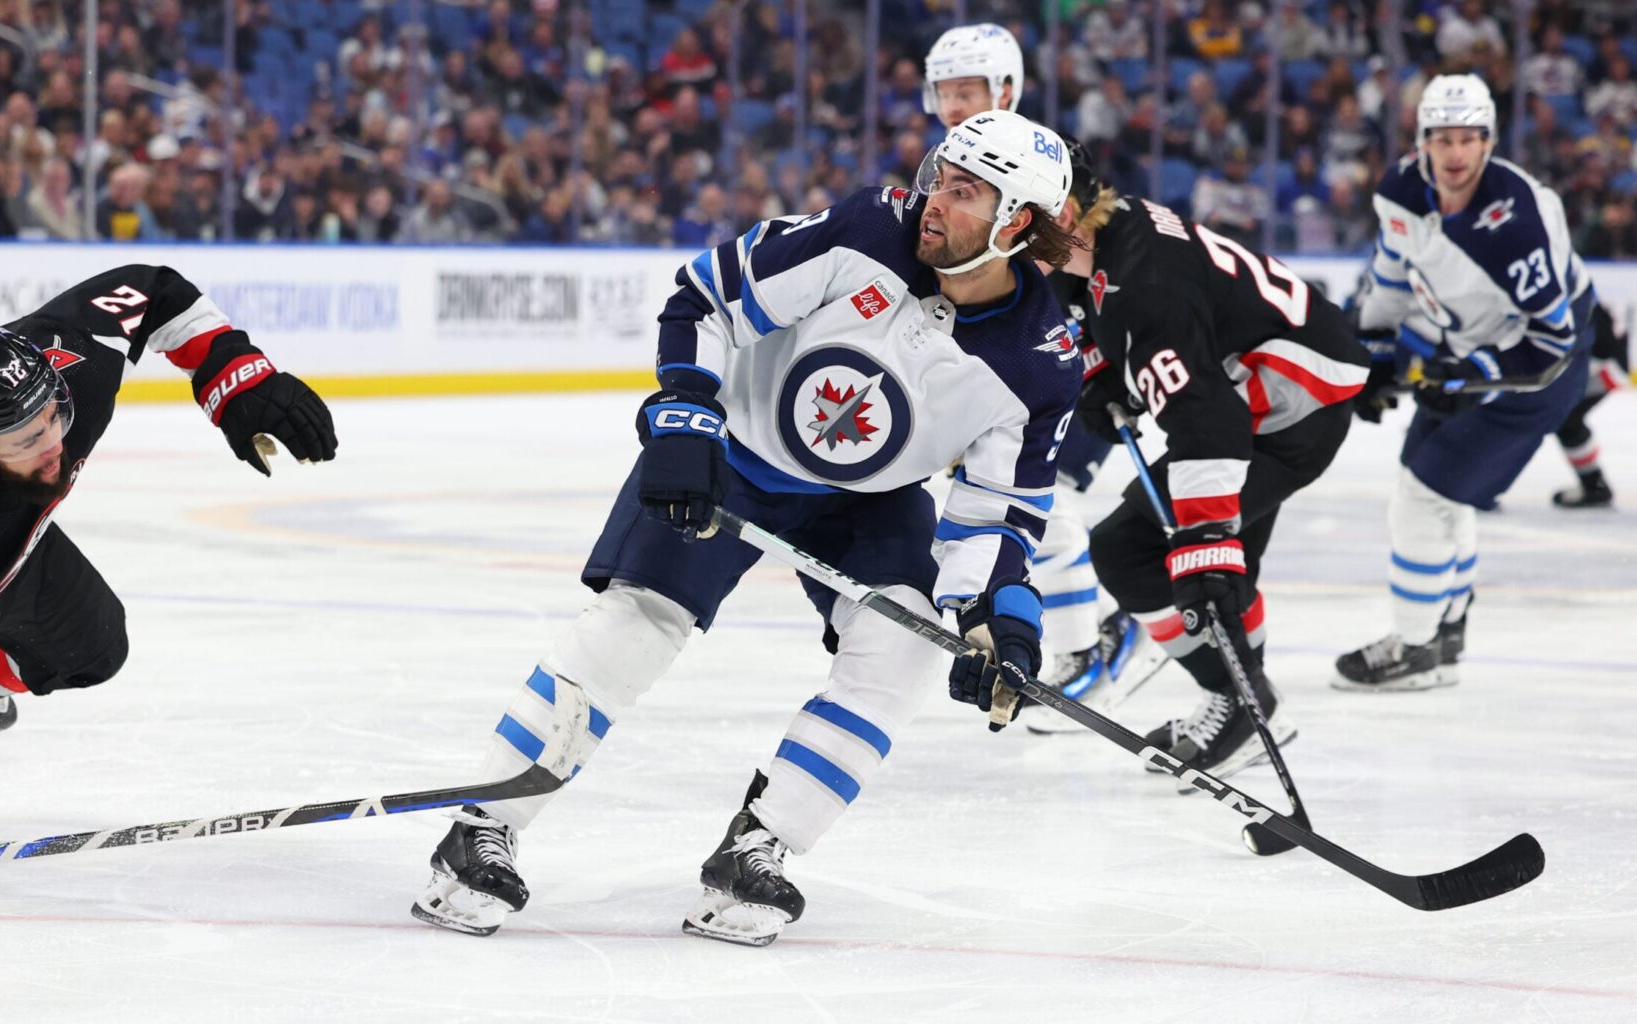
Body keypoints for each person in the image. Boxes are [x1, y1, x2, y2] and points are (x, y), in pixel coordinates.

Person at [410, 110, 1081, 947]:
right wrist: (687, 413)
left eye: (964, 191)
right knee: (637, 625)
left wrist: (998, 620)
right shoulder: (869, 229)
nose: (934, 198)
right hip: (736, 451)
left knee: (900, 648)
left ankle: (760, 848)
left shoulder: (1041, 362)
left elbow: (996, 516)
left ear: (1016, 224)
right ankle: (483, 828)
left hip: (867, 501)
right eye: (940, 176)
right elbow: (706, 296)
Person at [0, 266, 338, 890]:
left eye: (53, 416)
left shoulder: (68, 366)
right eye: (26, 436)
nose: (53, 443)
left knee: (97, 646)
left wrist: (234, 379)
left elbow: (151, 289)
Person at [1052, 139, 1369, 780]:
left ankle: (1246, 705)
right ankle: (1246, 704)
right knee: (1212, 565)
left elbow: (1209, 424)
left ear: (1061, 213)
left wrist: (1204, 540)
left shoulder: (1146, 289)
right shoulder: (1111, 230)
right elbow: (1092, 300)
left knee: (1137, 551)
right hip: (1273, 383)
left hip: (1286, 409)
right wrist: (1103, 367)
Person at [925, 22, 1163, 730]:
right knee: (1029, 507)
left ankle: (1087, 655)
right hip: (1019, 377)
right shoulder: (954, 170)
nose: (956, 105)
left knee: (1045, 504)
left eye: (969, 90)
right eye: (946, 92)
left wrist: (1111, 356)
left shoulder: (1045, 163)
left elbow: (1104, 263)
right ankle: (1091, 647)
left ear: (1006, 89)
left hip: (1078, 372)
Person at [1334, 75, 1597, 692]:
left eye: (1470, 139)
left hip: (1537, 370)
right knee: (1430, 488)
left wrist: (1464, 376)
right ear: (1423, 140)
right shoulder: (1401, 189)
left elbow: (1551, 342)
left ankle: (1417, 647)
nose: (1456, 154)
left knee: (1425, 494)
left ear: (1489, 141)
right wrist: (1373, 355)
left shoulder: (1519, 219)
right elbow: (1392, 278)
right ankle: (1445, 629)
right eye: (1443, 138)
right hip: (1465, 350)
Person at [1548, 301, 1626, 508]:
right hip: (1608, 360)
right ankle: (1594, 485)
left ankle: (1594, 486)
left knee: (1566, 418)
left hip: (1608, 364)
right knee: (1565, 418)